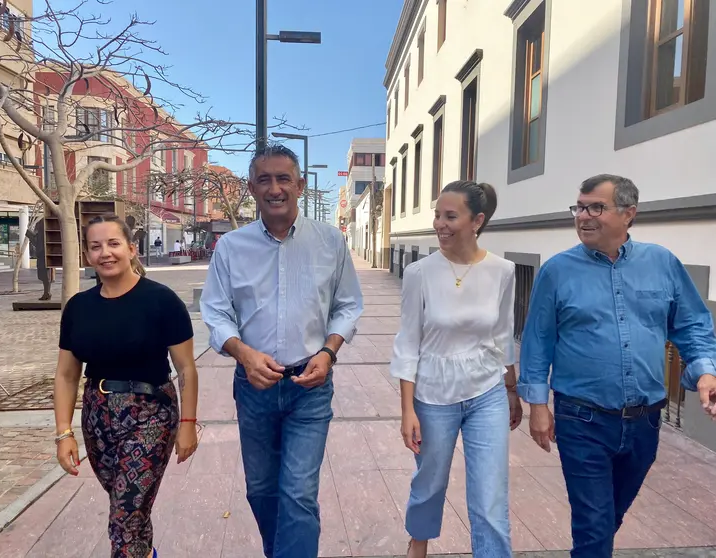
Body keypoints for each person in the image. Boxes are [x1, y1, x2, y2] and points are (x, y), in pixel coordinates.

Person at [518, 174, 716, 557]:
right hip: (583, 419)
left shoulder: (661, 263)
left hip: (646, 421)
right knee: (593, 528)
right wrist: (538, 406)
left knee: (609, 519)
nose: (583, 216)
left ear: (629, 214)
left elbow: (691, 323)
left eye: (596, 207)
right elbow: (538, 340)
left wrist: (705, 371)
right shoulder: (557, 271)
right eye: (579, 207)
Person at [200, 144, 363, 558]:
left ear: (301, 185)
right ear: (251, 188)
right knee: (262, 491)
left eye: (284, 178)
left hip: (310, 387)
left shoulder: (330, 242)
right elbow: (217, 314)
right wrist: (243, 353)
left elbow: (347, 305)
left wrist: (328, 353)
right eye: (265, 180)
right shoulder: (232, 248)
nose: (276, 188)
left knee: (299, 494)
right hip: (253, 388)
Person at [54, 214, 200, 558]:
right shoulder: (78, 307)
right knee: (131, 510)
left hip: (150, 414)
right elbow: (66, 375)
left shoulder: (162, 301)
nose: (106, 252)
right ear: (88, 255)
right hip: (97, 417)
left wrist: (188, 425)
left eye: (114, 243)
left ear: (132, 249)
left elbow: (186, 368)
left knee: (125, 516)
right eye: (96, 246)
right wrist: (64, 433)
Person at [391, 180, 523, 558]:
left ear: (477, 220)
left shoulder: (503, 270)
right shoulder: (419, 273)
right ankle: (418, 546)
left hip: (487, 393)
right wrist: (407, 409)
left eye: (450, 216)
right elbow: (407, 343)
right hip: (433, 394)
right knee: (429, 484)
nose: (439, 224)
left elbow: (502, 334)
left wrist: (511, 391)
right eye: (437, 215)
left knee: (491, 495)